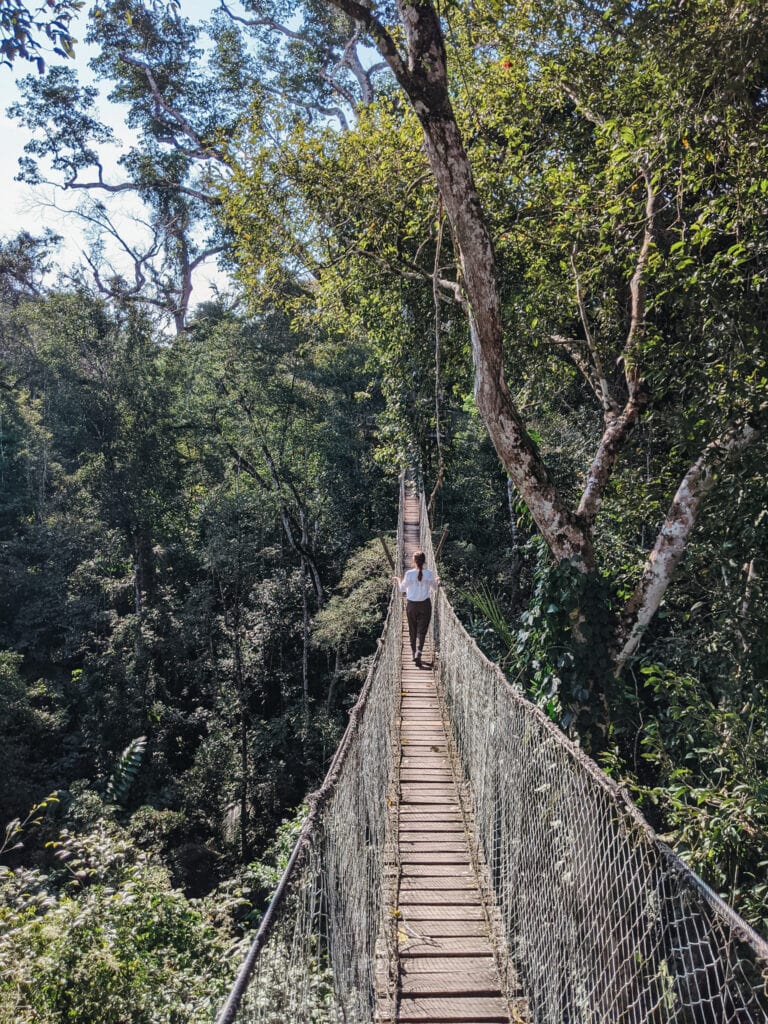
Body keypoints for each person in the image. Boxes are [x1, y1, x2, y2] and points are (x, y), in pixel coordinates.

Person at [395, 551, 440, 665]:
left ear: (414, 561)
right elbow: (434, 588)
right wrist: (436, 581)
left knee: (412, 631)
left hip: (411, 606)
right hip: (425, 605)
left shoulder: (409, 574)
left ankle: (413, 653)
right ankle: (418, 653)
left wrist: (398, 580)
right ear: (424, 561)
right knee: (422, 631)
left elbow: (402, 589)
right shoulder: (429, 573)